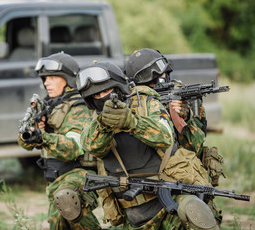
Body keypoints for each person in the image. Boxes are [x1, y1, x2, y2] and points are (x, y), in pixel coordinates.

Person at [77, 61, 219, 229]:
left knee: (194, 210)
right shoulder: (95, 118)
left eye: (107, 91)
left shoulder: (145, 100)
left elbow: (165, 135)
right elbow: (90, 146)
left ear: (118, 88)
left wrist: (132, 122)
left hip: (170, 196)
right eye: (96, 96)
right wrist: (103, 125)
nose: (103, 98)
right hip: (134, 212)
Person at [124, 48, 223, 226]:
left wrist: (185, 118)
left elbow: (196, 148)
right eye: (155, 78)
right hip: (147, 183)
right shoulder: (133, 102)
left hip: (184, 176)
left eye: (163, 74)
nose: (162, 79)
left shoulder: (183, 96)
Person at [18, 52, 100, 230]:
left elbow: (73, 148)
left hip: (79, 174)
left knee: (66, 199)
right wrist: (33, 131)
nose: (47, 82)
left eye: (53, 77)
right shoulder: (49, 105)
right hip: (56, 179)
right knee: (58, 224)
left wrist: (43, 137)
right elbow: (24, 144)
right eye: (45, 78)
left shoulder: (79, 107)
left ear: (68, 79)